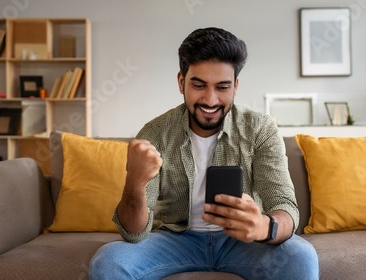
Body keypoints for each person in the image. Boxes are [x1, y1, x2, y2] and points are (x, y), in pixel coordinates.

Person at [89, 27, 319, 279]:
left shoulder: (260, 129)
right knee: (108, 261)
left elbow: (284, 206)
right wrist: (134, 181)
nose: (210, 99)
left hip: (242, 242)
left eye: (222, 87)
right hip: (175, 241)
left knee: (301, 255)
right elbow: (133, 233)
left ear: (235, 86)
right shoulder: (154, 134)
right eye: (199, 85)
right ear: (181, 82)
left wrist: (264, 226)